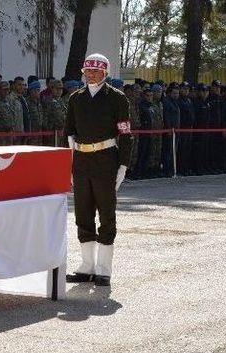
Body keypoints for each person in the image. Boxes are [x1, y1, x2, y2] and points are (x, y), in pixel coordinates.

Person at [65, 53, 132, 287]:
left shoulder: (117, 98)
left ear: (105, 73)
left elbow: (124, 133)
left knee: (106, 213)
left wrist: (123, 164)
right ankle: (87, 266)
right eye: (87, 71)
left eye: (95, 71)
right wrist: (71, 163)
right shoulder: (76, 99)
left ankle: (104, 268)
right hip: (81, 160)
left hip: (106, 160)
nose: (91, 75)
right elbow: (69, 133)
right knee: (82, 212)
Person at [161, 84, 180, 177]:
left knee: (173, 151)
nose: (176, 95)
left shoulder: (175, 102)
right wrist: (168, 128)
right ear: (169, 93)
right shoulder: (166, 102)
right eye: (174, 93)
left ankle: (172, 170)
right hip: (170, 130)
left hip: (176, 130)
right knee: (168, 151)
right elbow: (166, 116)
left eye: (177, 93)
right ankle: (167, 170)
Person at [192, 84, 210, 175]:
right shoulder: (196, 103)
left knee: (204, 150)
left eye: (206, 91)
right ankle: (196, 168)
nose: (205, 93)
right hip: (198, 130)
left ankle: (203, 167)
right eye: (203, 91)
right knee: (197, 150)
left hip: (206, 130)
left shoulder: (206, 103)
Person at [136, 89, 154, 179]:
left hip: (150, 132)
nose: (150, 97)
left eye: (151, 95)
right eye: (148, 95)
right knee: (142, 153)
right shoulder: (141, 106)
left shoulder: (151, 106)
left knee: (148, 152)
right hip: (143, 133)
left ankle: (145, 171)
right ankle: (139, 172)